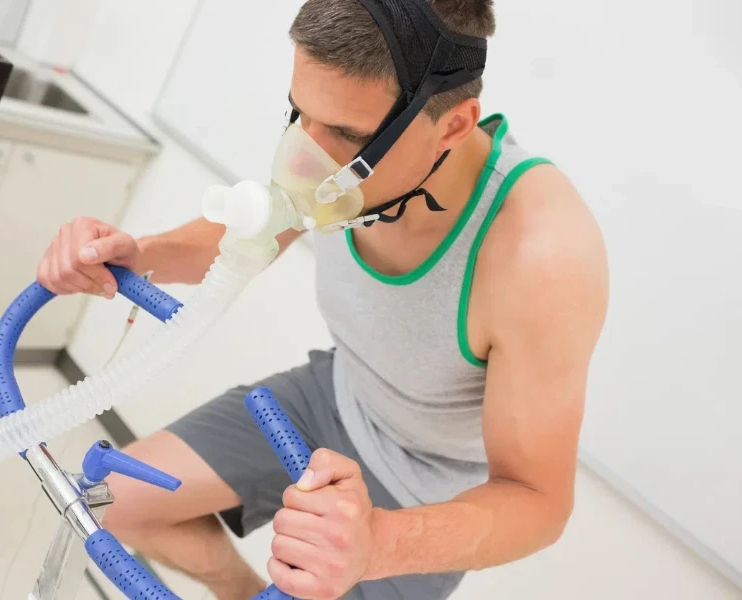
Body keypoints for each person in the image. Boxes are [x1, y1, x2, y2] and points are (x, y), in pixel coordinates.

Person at [36, 0, 609, 598]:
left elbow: (538, 501)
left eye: (346, 134)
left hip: (427, 490)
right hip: (332, 399)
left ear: (454, 127)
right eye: (300, 113)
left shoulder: (541, 254)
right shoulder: (330, 139)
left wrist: (380, 542)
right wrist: (137, 251)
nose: (303, 159)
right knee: (117, 503)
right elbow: (248, 235)